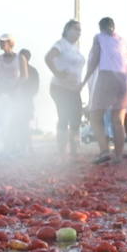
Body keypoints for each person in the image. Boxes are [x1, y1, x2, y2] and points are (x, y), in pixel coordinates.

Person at [82, 17, 127, 164]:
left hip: (107, 76)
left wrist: (85, 80)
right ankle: (118, 156)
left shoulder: (99, 38)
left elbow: (94, 59)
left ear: (100, 28)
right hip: (123, 80)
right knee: (118, 120)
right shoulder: (122, 41)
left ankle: (104, 151)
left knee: (95, 115)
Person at [45, 20, 84, 161]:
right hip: (60, 88)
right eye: (75, 29)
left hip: (74, 89)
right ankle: (62, 151)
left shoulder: (75, 47)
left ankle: (74, 150)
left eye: (79, 30)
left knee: (76, 118)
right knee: (64, 116)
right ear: (67, 29)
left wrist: (81, 83)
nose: (78, 32)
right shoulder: (61, 44)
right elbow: (48, 57)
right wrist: (57, 73)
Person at [0, 33, 30, 154]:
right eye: (0, 42)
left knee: (14, 122)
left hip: (15, 96)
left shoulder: (20, 58)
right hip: (0, 95)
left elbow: (24, 76)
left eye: (3, 42)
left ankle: (14, 149)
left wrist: (14, 88)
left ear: (10, 43)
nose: (1, 44)